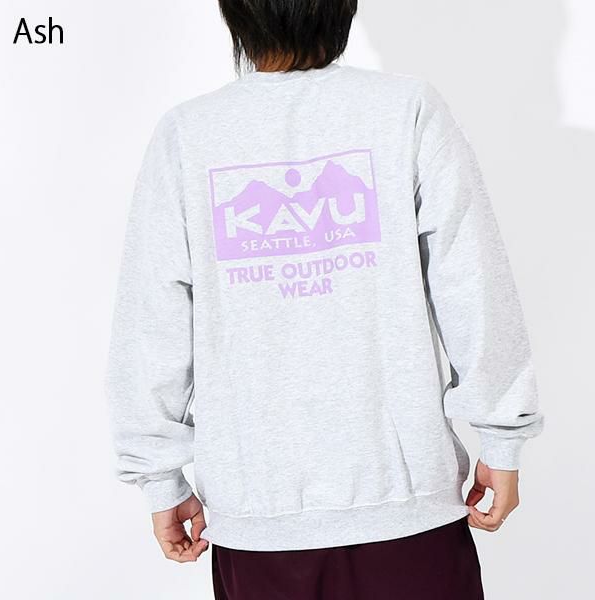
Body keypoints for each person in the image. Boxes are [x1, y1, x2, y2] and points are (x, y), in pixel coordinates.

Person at [105, 1, 545, 598]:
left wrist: (160, 478)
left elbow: (150, 322)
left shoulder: (189, 134)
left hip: (258, 517)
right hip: (406, 508)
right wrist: (501, 438)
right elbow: (473, 284)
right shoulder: (405, 109)